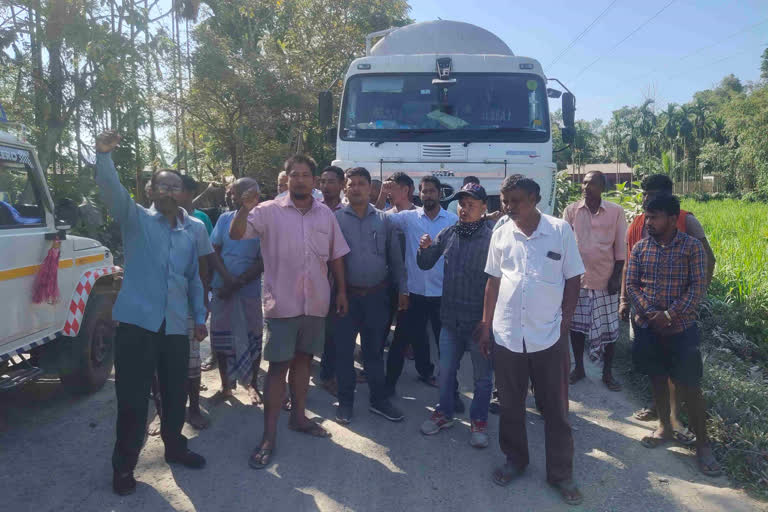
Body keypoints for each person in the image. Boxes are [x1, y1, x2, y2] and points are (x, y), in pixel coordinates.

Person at [94, 131, 207, 496]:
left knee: (176, 394)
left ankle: (174, 446)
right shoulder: (136, 220)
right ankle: (124, 468)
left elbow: (193, 279)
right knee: (132, 400)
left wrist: (200, 317)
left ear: (183, 193)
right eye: (162, 186)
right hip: (136, 327)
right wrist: (103, 155)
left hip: (175, 326)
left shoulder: (195, 229)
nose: (169, 191)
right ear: (149, 192)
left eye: (175, 186)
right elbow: (112, 192)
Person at [230, 154, 350, 470]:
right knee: (278, 368)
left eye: (305, 174)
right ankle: (269, 436)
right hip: (282, 305)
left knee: (304, 362)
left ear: (314, 180)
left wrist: (341, 291)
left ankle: (298, 418)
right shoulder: (267, 211)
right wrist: (244, 207)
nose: (300, 179)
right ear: (286, 178)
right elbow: (236, 233)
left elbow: (336, 256)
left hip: (316, 304)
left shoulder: (326, 215)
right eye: (294, 174)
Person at [475, 174, 584, 506]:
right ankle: (515, 459)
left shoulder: (559, 230)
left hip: (548, 336)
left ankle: (561, 474)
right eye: (505, 201)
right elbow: (493, 280)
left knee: (555, 410)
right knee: (510, 405)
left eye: (515, 201)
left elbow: (574, 279)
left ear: (535, 198)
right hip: (508, 335)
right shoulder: (501, 231)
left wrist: (564, 322)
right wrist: (485, 324)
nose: (508, 208)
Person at [625, 194, 721, 477]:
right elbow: (632, 284)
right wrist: (651, 314)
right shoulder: (641, 248)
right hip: (649, 328)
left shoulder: (692, 248)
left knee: (689, 386)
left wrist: (669, 315)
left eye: (654, 217)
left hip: (681, 329)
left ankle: (703, 445)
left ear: (671, 218)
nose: (648, 222)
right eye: (647, 216)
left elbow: (697, 287)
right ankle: (665, 427)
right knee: (656, 377)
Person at [417, 183, 494, 448]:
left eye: (472, 204)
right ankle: (444, 413)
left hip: (480, 324)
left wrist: (488, 322)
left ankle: (479, 421)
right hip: (450, 320)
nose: (465, 208)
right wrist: (423, 248)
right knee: (446, 371)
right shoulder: (449, 233)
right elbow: (425, 264)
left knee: (482, 378)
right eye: (462, 203)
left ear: (484, 208)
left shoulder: (493, 239)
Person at [333, 167, 408, 424]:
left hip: (377, 296)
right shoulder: (336, 219)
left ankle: (379, 400)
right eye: (351, 184)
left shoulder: (385, 220)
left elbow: (395, 259)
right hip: (345, 297)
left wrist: (403, 290)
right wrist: (339, 292)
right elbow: (334, 260)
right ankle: (345, 402)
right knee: (343, 352)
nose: (356, 188)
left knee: (374, 352)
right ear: (346, 188)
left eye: (361, 183)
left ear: (370, 188)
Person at [383, 176, 459, 401]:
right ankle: (388, 388)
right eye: (424, 191)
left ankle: (451, 395)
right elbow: (379, 219)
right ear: (419, 193)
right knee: (399, 344)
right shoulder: (408, 218)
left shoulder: (452, 220)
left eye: (432, 191)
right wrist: (381, 195)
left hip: (440, 296)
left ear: (439, 194)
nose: (428, 195)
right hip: (412, 294)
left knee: (445, 348)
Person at [563, 171, 627, 391]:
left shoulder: (616, 212)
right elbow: (564, 247)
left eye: (591, 183)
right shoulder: (571, 211)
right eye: (584, 183)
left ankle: (607, 373)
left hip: (605, 279)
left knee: (609, 330)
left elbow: (620, 248)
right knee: (577, 328)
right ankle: (579, 368)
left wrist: (616, 278)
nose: (585, 187)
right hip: (577, 280)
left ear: (602, 187)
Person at [209, 177, 265, 405]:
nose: (232, 197)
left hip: (248, 289)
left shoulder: (265, 220)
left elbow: (263, 260)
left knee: (253, 337)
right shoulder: (223, 219)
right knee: (220, 339)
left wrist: (238, 282)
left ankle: (251, 384)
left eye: (238, 193)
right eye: (232, 194)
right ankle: (226, 386)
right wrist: (227, 280)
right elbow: (213, 251)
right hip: (222, 287)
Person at [316, 165, 346, 396]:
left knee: (334, 332)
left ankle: (328, 374)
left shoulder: (346, 212)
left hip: (337, 280)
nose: (327, 186)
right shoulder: (312, 210)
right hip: (311, 280)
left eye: (332, 181)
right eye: (323, 181)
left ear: (341, 185)